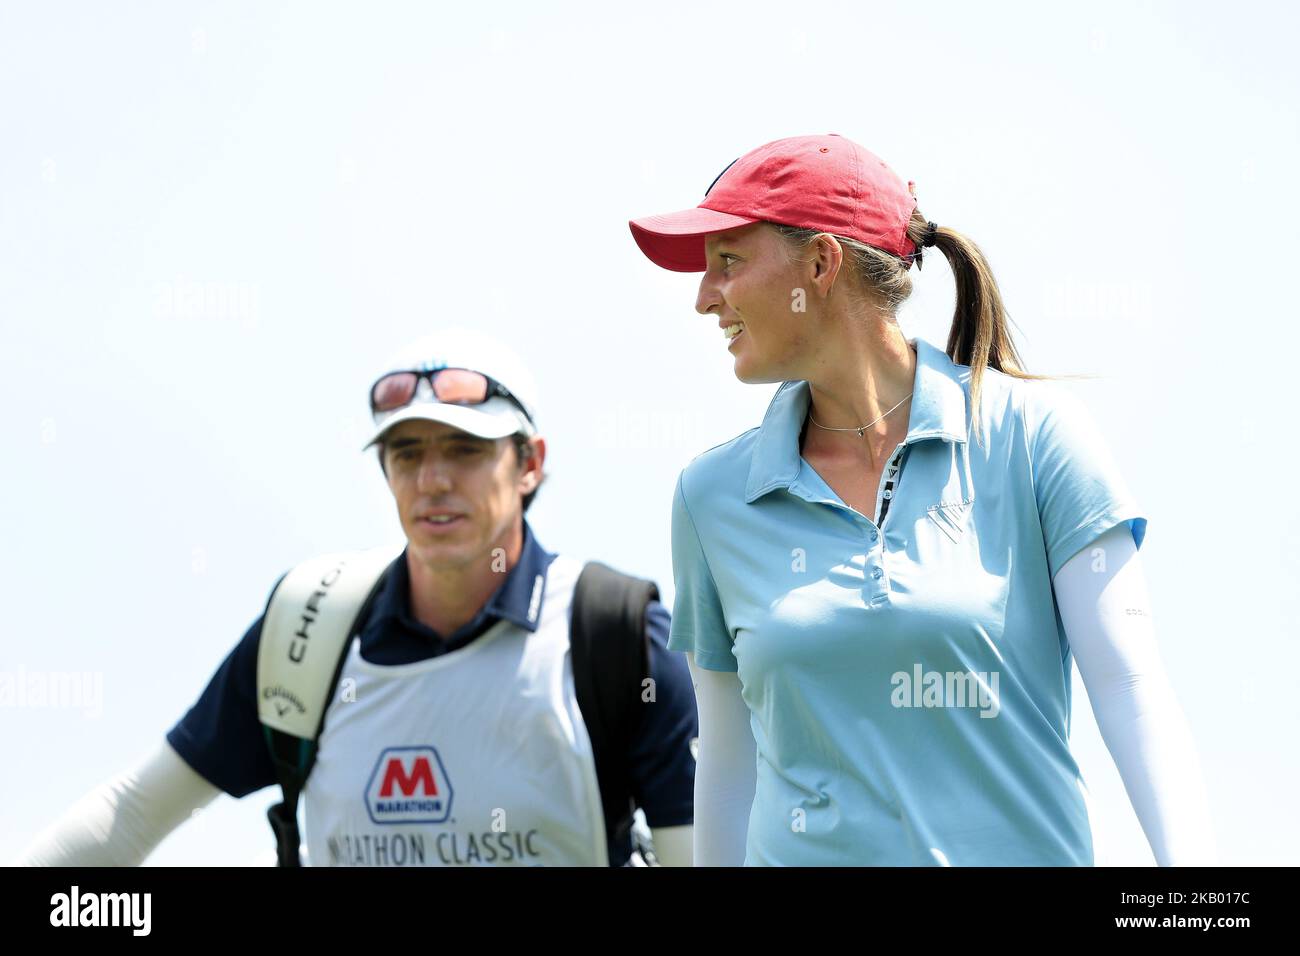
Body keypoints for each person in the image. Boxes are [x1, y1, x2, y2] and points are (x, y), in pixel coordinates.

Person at [628, 133, 1217, 866]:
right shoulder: (710, 495)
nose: (703, 298)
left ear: (821, 262)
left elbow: (1130, 689)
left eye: (729, 261)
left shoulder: (1035, 438)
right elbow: (726, 768)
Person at [16, 329, 696, 867]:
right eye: (406, 453)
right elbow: (134, 815)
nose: (431, 479)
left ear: (530, 464)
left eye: (463, 449)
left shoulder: (617, 634)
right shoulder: (308, 625)